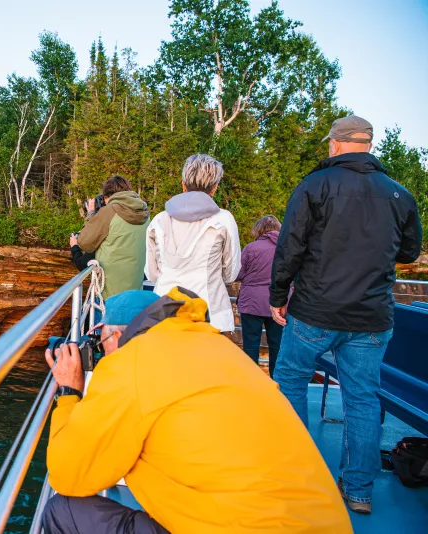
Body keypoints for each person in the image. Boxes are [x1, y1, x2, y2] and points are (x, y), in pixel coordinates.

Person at [42, 288, 352, 534]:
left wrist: (69, 392)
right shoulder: (223, 348)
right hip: (325, 522)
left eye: (101, 340)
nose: (100, 351)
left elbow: (68, 474)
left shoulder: (129, 363)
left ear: (120, 337)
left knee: (64, 510)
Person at [270, 115, 423, 514]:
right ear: (368, 145)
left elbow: (290, 247)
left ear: (336, 144)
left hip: (314, 311)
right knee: (362, 400)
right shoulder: (399, 194)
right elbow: (408, 252)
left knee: (289, 381)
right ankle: (358, 491)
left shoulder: (314, 186)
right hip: (371, 318)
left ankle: (296, 476)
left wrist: (277, 295)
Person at [145, 154, 241, 332]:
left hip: (164, 313)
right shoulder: (224, 220)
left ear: (183, 184)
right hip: (210, 315)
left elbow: (151, 274)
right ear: (214, 188)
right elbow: (231, 273)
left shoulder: (158, 221)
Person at [73, 176, 149, 299]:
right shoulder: (144, 213)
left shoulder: (110, 211)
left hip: (109, 294)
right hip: (135, 291)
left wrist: (91, 215)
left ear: (108, 196)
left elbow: (84, 242)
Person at [237, 215, 284, 375]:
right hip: (280, 302)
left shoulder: (251, 248)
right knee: (277, 345)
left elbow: (238, 273)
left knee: (251, 345)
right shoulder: (286, 248)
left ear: (259, 229)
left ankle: (251, 383)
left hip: (252, 302)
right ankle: (277, 385)